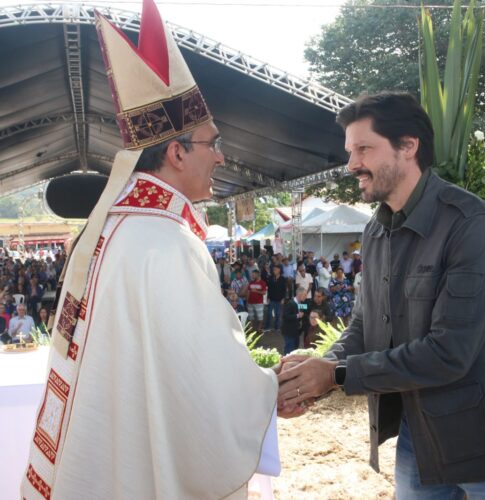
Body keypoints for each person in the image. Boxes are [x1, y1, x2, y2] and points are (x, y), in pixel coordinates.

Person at [22, 2, 277, 498]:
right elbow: (202, 378)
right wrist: (269, 387)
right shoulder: (166, 243)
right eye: (212, 144)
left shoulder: (108, 229)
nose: (221, 156)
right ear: (177, 152)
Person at [277, 92, 485, 497]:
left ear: (408, 146)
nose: (351, 164)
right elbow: (365, 324)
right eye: (350, 151)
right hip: (418, 431)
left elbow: (450, 352)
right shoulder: (375, 231)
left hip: (484, 437)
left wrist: (335, 375)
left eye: (363, 148)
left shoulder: (472, 225)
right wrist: (319, 369)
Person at [281, 287, 308, 355]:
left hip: (295, 331)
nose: (306, 297)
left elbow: (307, 309)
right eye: (305, 295)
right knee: (289, 350)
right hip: (289, 331)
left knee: (295, 348)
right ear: (299, 294)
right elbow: (285, 316)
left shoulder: (301, 303)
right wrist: (297, 316)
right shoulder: (290, 303)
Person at [265, 265, 287, 331]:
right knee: (269, 313)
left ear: (279, 270)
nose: (274, 271)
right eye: (274, 269)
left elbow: (284, 289)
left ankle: (277, 327)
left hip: (279, 299)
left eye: (275, 269)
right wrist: (268, 297)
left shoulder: (283, 279)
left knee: (278, 314)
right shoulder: (271, 278)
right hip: (271, 298)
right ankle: (267, 327)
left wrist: (283, 298)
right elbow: (269, 289)